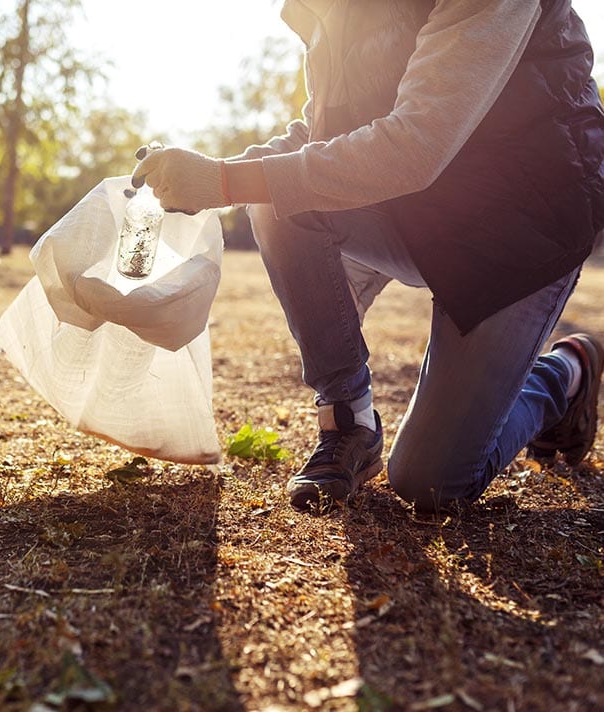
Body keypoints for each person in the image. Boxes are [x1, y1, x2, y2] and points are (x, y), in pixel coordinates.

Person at [131, 0, 604, 514]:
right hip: (426, 212)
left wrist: (225, 180)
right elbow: (319, 138)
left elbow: (415, 146)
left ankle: (565, 373)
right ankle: (349, 422)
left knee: (432, 482)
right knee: (278, 202)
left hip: (524, 228)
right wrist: (210, 175)